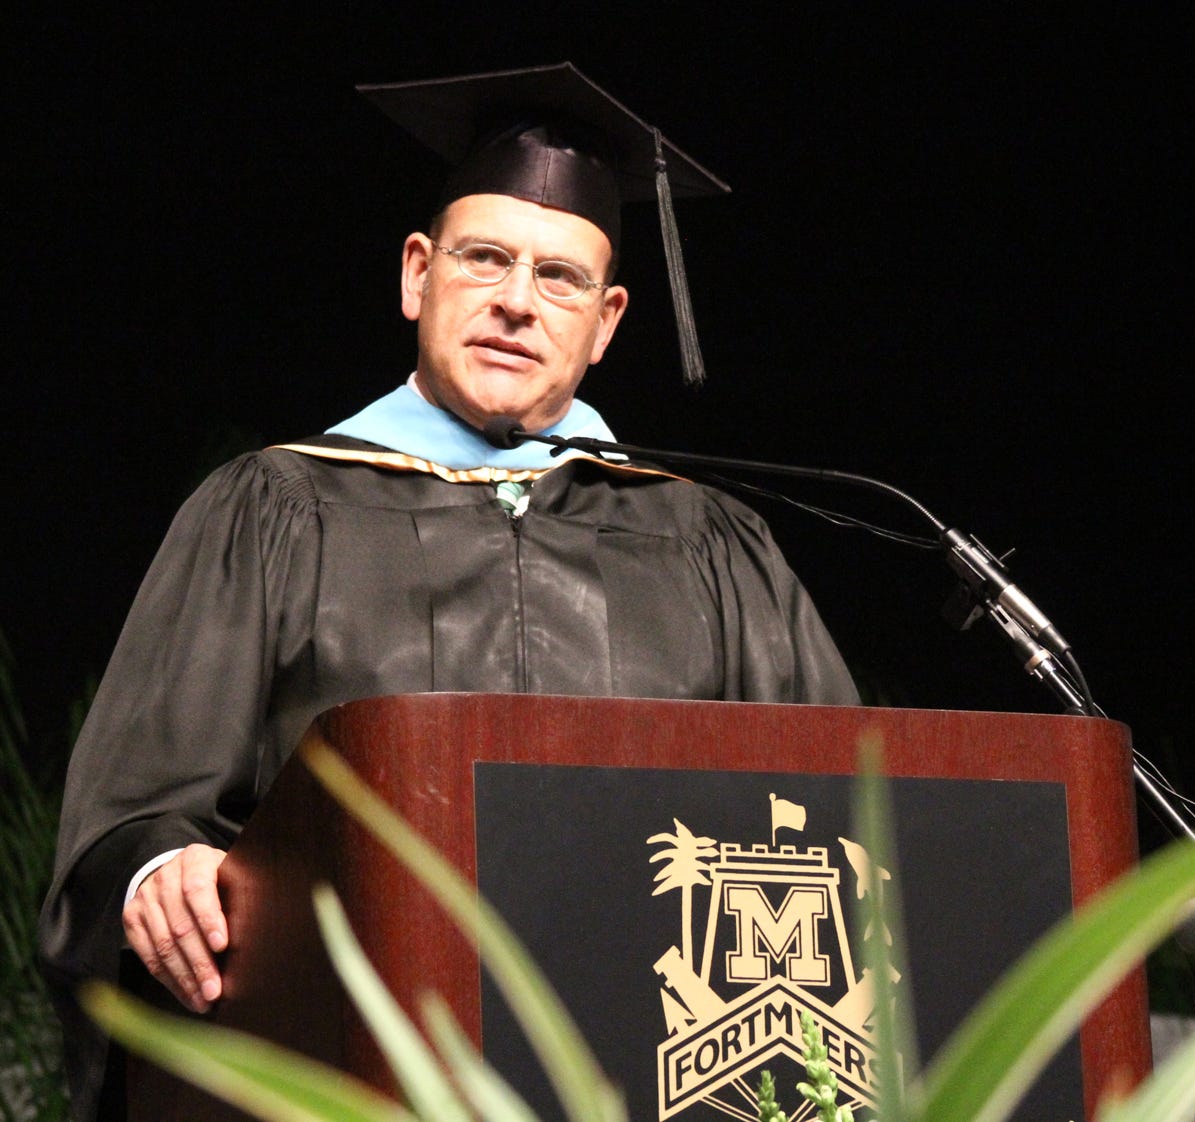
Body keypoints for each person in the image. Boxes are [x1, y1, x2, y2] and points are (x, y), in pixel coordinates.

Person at [39, 63, 859, 1120]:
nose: (517, 300)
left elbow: (849, 823)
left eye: (560, 278)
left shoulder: (707, 542)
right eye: (485, 258)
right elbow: (134, 813)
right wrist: (160, 873)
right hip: (345, 1074)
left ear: (606, 321)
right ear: (417, 275)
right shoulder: (278, 508)